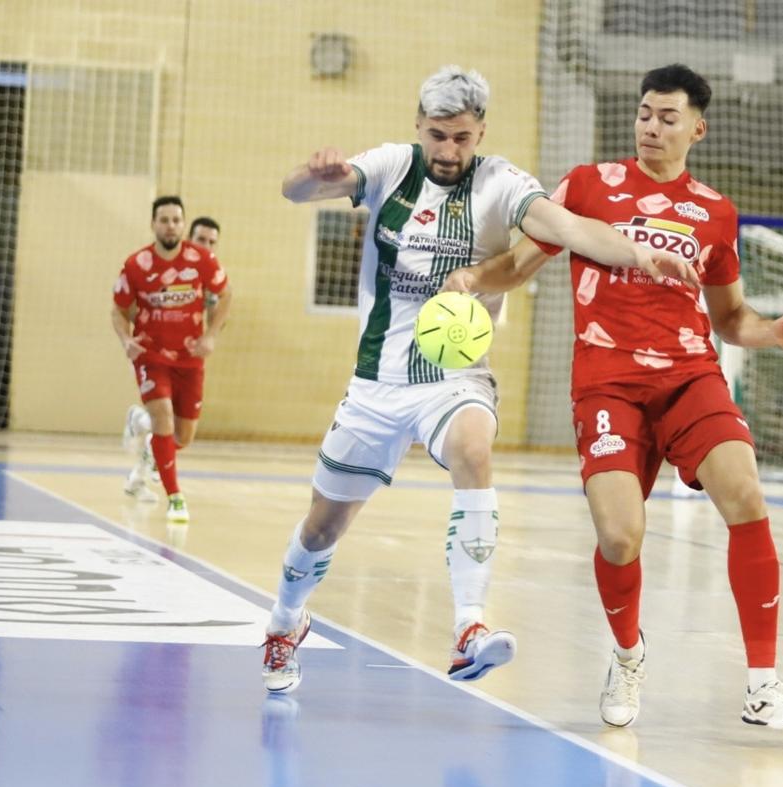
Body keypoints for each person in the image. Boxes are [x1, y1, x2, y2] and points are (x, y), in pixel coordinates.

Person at [260, 65, 697, 694]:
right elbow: (294, 194)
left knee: (472, 447)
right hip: (377, 381)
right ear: (419, 126)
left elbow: (568, 226)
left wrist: (634, 251)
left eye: (462, 138)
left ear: (481, 132)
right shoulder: (389, 165)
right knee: (322, 527)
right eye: (437, 136)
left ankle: (470, 626)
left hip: (455, 374)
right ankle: (283, 621)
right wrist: (313, 175)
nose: (448, 151)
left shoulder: (501, 183)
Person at [444, 64, 783, 733]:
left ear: (697, 129)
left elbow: (731, 319)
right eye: (645, 113)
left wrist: (773, 332)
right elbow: (523, 264)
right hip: (608, 383)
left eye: (667, 116)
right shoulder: (589, 185)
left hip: (689, 376)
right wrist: (475, 277)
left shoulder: (715, 212)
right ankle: (626, 656)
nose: (651, 125)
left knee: (748, 498)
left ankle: (762, 685)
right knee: (620, 538)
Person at [112, 195, 233, 523]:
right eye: (164, 220)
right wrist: (126, 339)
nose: (170, 226)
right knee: (164, 418)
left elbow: (225, 296)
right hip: (151, 355)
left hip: (189, 360)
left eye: (176, 220)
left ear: (183, 223)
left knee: (182, 437)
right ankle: (176, 498)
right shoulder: (136, 265)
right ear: (153, 224)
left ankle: (141, 425)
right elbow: (120, 310)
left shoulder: (202, 263)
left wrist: (210, 336)